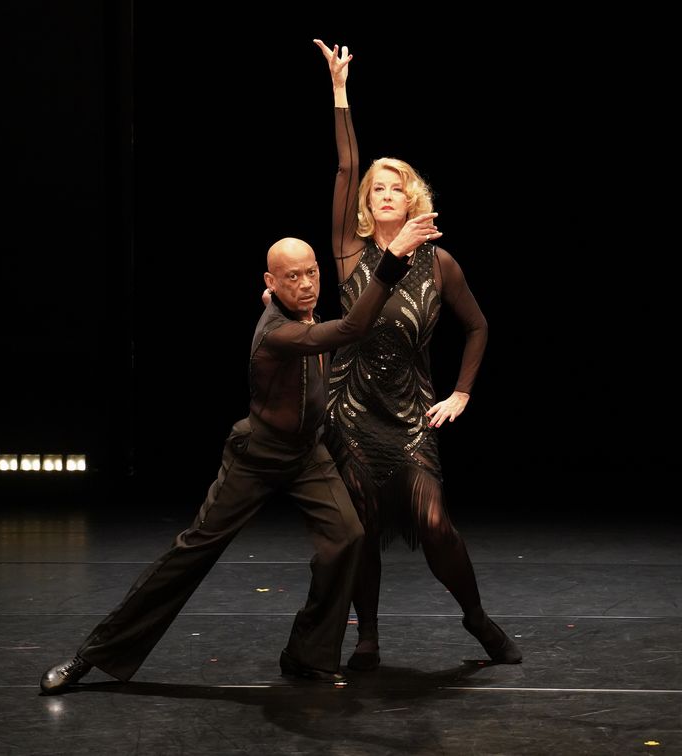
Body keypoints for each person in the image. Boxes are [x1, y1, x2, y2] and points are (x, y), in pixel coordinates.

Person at [40, 236, 412, 694]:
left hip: (306, 454)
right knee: (192, 551)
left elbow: (320, 327)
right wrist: (392, 261)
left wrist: (290, 298)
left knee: (348, 536)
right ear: (270, 282)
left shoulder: (299, 310)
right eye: (291, 277)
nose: (306, 284)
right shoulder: (277, 331)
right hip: (258, 454)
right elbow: (349, 330)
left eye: (311, 272)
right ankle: (91, 657)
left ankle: (307, 654)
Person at [312, 39, 522, 670]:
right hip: (350, 414)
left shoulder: (439, 264)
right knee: (363, 529)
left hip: (408, 417)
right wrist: (341, 95)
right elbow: (346, 166)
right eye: (376, 187)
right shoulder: (351, 254)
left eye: (395, 187)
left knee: (434, 524)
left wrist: (461, 393)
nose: (382, 192)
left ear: (413, 202)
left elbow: (479, 326)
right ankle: (367, 637)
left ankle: (477, 619)